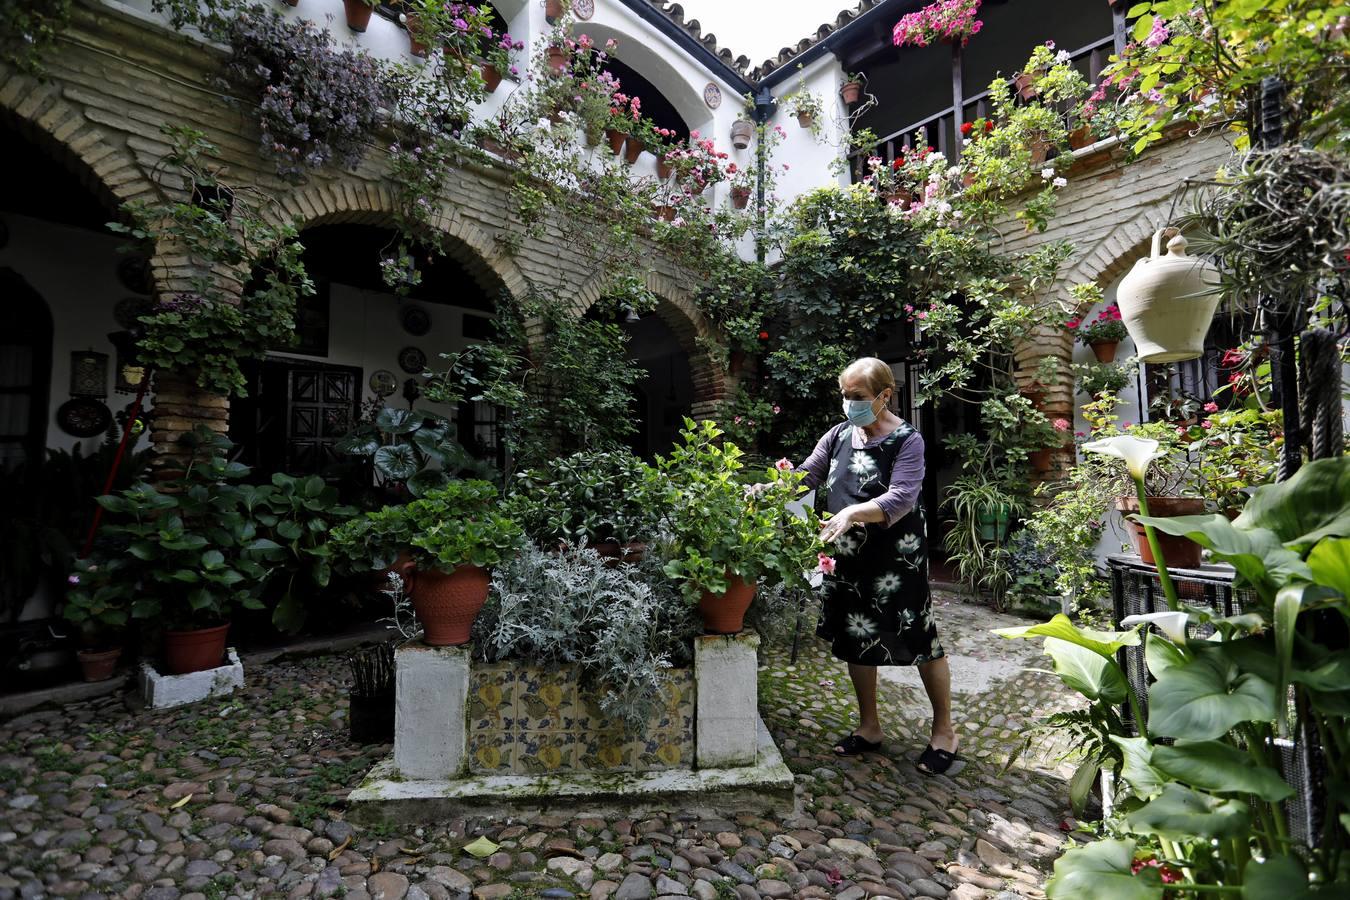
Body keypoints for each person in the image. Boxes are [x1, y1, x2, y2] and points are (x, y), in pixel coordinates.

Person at [796, 357, 959, 775]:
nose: (849, 405)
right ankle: (870, 727)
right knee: (858, 637)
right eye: (845, 396)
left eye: (858, 397)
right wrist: (769, 487)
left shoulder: (908, 440)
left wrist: (852, 513)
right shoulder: (837, 435)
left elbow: (902, 497)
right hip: (847, 558)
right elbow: (806, 476)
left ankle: (944, 731)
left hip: (896, 558)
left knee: (920, 638)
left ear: (885, 395)